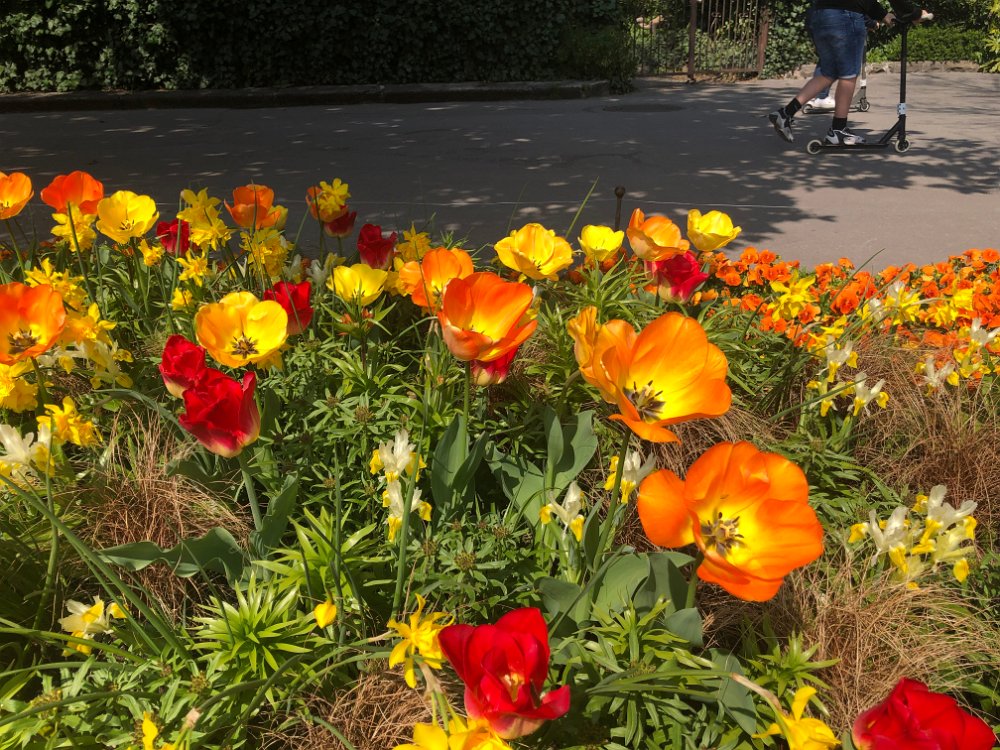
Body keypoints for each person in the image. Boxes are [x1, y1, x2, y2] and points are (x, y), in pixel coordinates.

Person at [769, 0, 925, 145]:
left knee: (828, 72)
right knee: (848, 74)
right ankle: (838, 130)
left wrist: (881, 15)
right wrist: (913, 12)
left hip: (820, 13)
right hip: (845, 17)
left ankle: (785, 113)